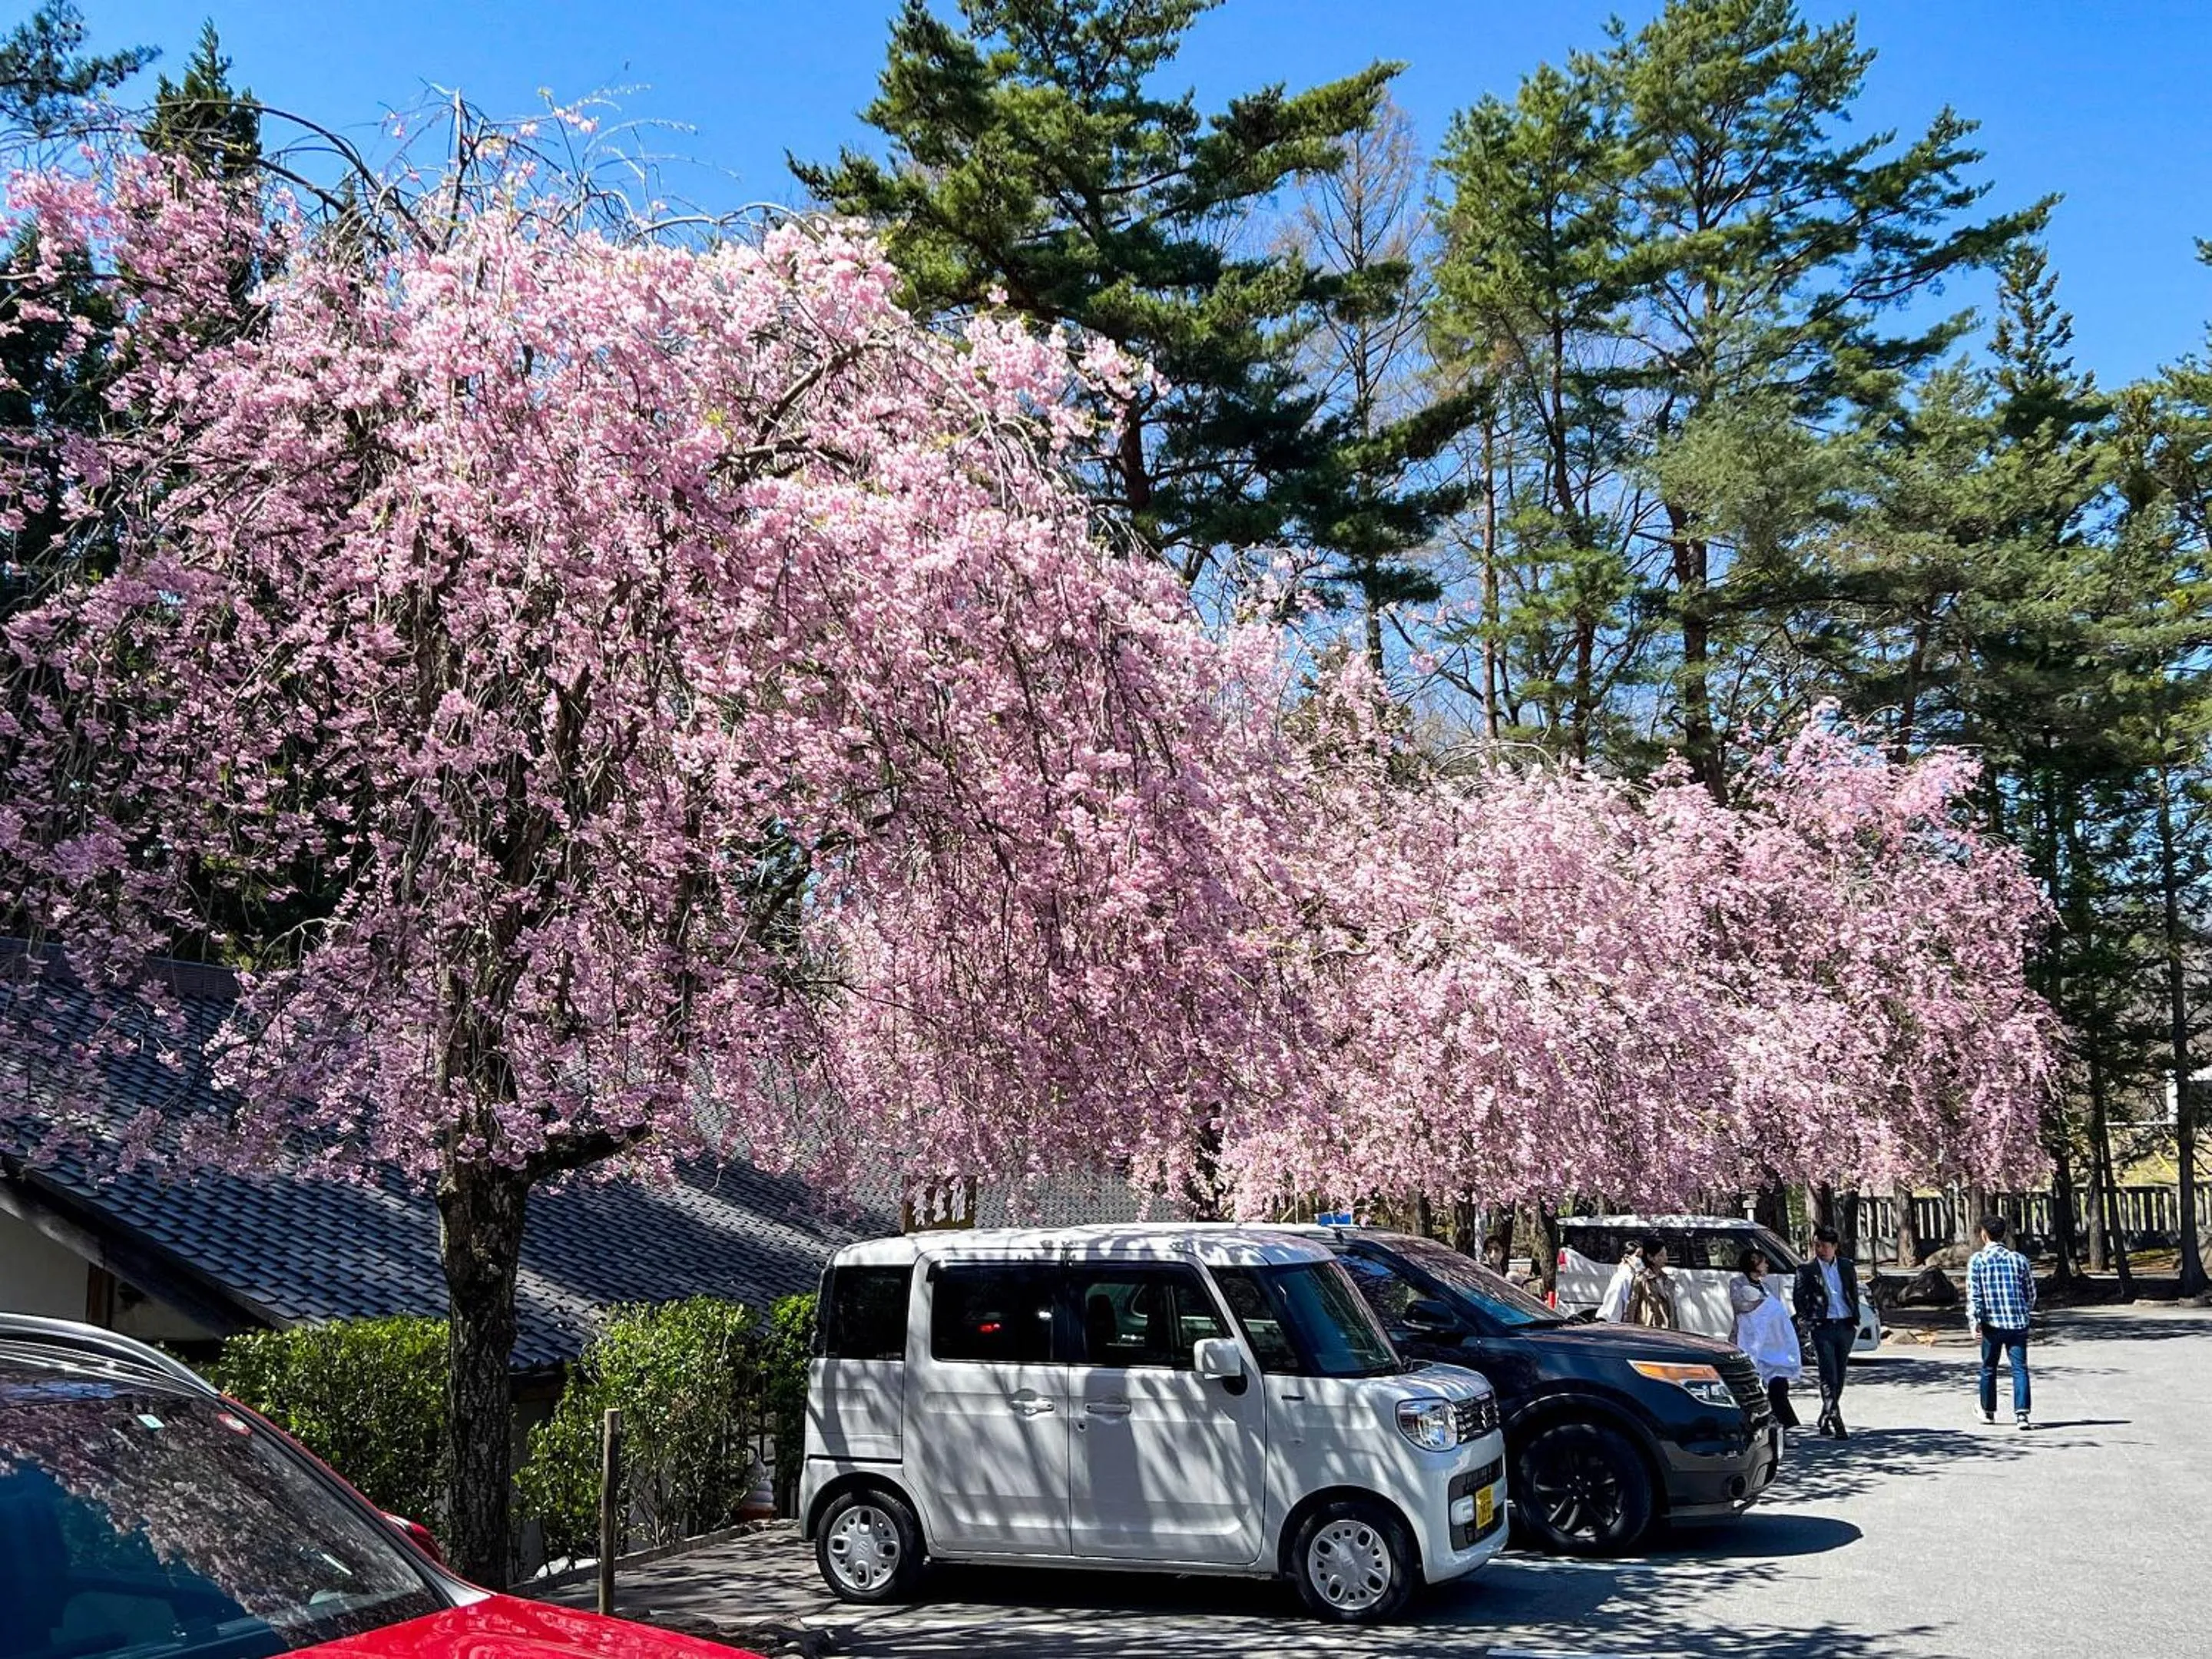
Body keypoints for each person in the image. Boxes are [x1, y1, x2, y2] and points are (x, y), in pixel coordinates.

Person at [1966, 1212, 2037, 1430]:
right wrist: (2024, 1312)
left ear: (1984, 1235)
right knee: (2020, 1368)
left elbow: (1974, 1295)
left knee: (1989, 1367)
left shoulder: (1978, 1260)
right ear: (2003, 1234)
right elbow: (2031, 1293)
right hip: (2017, 1324)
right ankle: (2022, 1415)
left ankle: (1988, 1411)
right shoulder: (2019, 1259)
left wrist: (1974, 1322)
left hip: (1991, 1324)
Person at [1793, 1224, 1863, 1439]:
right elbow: (1798, 1297)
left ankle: (1825, 1414)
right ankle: (1836, 1418)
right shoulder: (1806, 1269)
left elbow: (1851, 1292)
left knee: (1840, 1374)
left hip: (1844, 1325)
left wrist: (1854, 1319)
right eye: (1816, 1245)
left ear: (1834, 1247)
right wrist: (1808, 1320)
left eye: (1823, 1245)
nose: (1819, 1249)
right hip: (1822, 1327)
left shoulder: (1846, 1266)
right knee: (1827, 1373)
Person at [1730, 1247, 1802, 1429]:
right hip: (1750, 1343)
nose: (1767, 1265)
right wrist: (1761, 1304)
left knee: (1779, 1383)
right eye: (1763, 1262)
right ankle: (1777, 1424)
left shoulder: (1766, 1286)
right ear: (1754, 1264)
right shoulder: (1738, 1284)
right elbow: (1741, 1306)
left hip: (1771, 1344)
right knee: (1755, 1387)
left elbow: (1774, 1313)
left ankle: (1783, 1425)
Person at [1623, 1238, 1679, 1330]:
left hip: (1668, 1331)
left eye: (1666, 1254)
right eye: (1661, 1255)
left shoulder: (1668, 1280)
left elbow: (1672, 1311)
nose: (1666, 1258)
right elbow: (1632, 1308)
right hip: (1649, 1331)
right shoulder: (1641, 1280)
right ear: (1650, 1257)